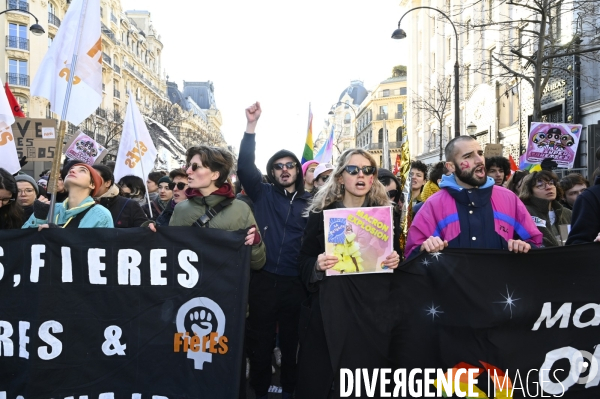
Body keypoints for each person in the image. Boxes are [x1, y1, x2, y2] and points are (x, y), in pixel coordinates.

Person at [297, 148, 401, 398]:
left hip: (371, 310)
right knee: (322, 379)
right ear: (341, 177)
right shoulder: (321, 214)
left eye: (368, 170)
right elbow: (303, 261)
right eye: (353, 170)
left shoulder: (385, 215)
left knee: (365, 380)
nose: (361, 175)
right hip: (331, 308)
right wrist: (317, 265)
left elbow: (395, 258)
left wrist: (397, 259)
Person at [238, 102, 311, 399]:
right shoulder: (263, 193)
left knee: (293, 340)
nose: (284, 170)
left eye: (289, 165)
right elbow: (244, 167)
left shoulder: (313, 203)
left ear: (298, 170)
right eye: (278, 166)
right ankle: (259, 389)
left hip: (297, 282)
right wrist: (251, 126)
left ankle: (291, 388)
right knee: (261, 340)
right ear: (272, 172)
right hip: (264, 278)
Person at [405, 136, 542, 258]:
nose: (479, 160)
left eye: (480, 153)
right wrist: (424, 248)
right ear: (451, 166)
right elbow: (412, 254)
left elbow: (536, 243)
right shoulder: (434, 204)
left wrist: (525, 246)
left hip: (501, 286)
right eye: (468, 156)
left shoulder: (509, 199)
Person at [169, 145, 266, 269]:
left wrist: (256, 244)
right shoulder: (180, 209)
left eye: (195, 167)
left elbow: (257, 264)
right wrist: (150, 232)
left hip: (226, 287)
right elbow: (170, 252)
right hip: (189, 287)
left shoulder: (241, 210)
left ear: (215, 175)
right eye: (189, 166)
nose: (188, 171)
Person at [23, 163, 113, 229]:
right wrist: (39, 218)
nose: (72, 170)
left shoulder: (101, 215)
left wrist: (63, 235)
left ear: (92, 185)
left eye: (82, 170)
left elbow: (102, 250)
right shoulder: (50, 209)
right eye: (71, 170)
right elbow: (24, 239)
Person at [518, 171, 571, 247]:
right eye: (540, 185)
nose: (548, 187)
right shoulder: (524, 212)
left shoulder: (567, 213)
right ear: (530, 191)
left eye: (551, 183)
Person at [566, 171, 600, 244]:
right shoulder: (589, 198)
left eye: (583, 190)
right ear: (563, 197)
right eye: (573, 193)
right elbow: (577, 244)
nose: (579, 194)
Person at [377, 167, 404, 256]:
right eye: (381, 194)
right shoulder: (359, 212)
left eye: (391, 194)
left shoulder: (399, 215)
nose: (385, 199)